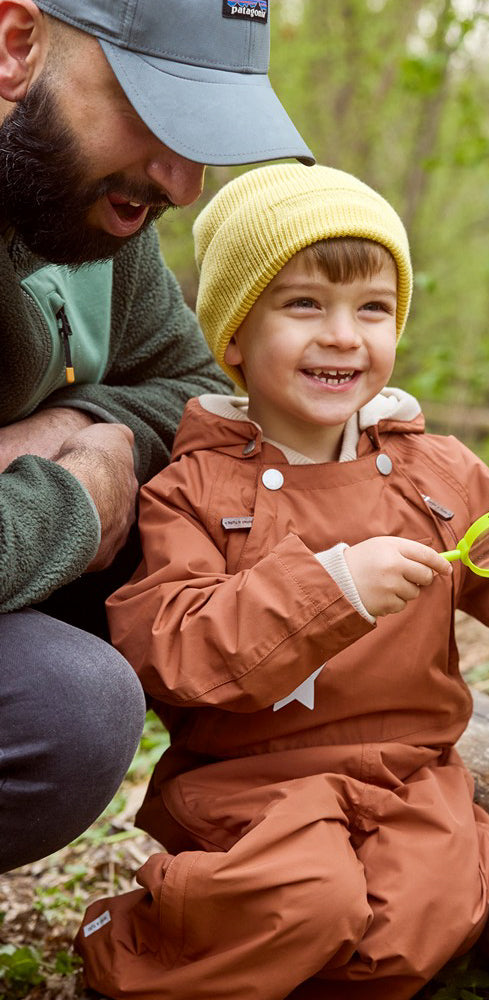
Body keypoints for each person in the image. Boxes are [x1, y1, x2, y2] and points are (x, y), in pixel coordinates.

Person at [74, 163, 489, 1000]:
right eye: (304, 305)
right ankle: (128, 949)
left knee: (419, 923)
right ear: (233, 337)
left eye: (372, 308)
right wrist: (331, 586)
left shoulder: (429, 470)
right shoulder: (192, 489)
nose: (344, 335)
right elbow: (172, 647)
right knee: (306, 899)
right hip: (252, 783)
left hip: (409, 776)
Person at [0, 0, 314, 875]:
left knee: (250, 522)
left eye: (203, 132)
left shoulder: (86, 210)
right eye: (152, 111)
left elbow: (200, 394)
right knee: (64, 712)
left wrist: (82, 426)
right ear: (17, 45)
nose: (182, 183)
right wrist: (75, 499)